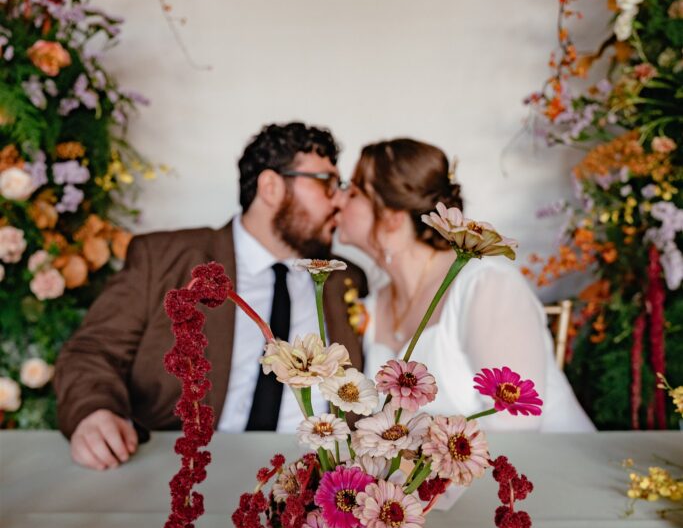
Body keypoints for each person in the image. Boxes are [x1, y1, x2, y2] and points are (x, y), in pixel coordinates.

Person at [55, 122, 367, 470]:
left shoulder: (345, 279)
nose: (340, 200)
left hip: (315, 476)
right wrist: (94, 412)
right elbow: (92, 351)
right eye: (326, 183)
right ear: (271, 187)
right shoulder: (163, 258)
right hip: (183, 470)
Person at [334, 137, 594, 431]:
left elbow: (517, 422)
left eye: (353, 192)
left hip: (544, 456)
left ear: (393, 217)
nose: (338, 200)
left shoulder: (486, 286)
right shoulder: (373, 303)